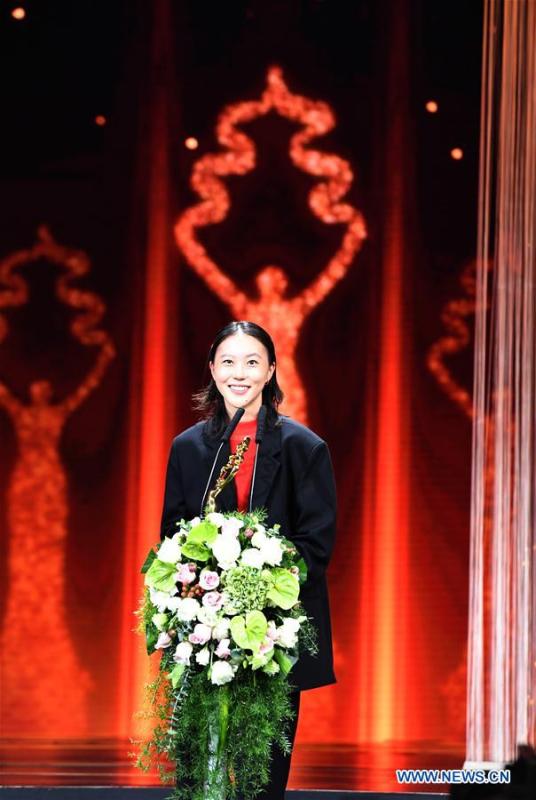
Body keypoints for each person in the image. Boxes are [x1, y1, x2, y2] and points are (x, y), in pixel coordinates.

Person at [160, 319, 337, 800]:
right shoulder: (188, 447)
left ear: (271, 371)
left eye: (252, 362)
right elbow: (170, 540)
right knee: (198, 774)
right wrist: (197, 595)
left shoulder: (304, 447)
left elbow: (316, 543)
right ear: (213, 370)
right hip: (204, 631)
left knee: (260, 777)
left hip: (272, 632)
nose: (240, 373)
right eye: (229, 362)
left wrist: (255, 589)